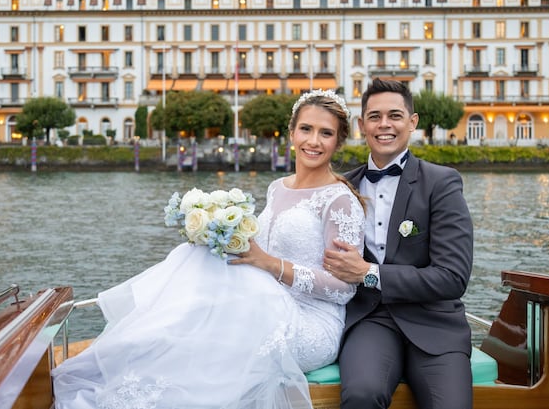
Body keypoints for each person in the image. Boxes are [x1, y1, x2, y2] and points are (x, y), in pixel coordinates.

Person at [52, 89, 366, 409]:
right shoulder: (277, 187)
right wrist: (219, 235)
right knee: (199, 258)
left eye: (325, 133)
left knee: (205, 330)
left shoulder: (339, 200)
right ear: (292, 133)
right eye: (306, 129)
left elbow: (344, 289)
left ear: (339, 141)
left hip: (310, 324)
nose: (313, 141)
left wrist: (271, 265)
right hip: (266, 301)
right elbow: (258, 252)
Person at [323, 78, 474, 409]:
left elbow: (453, 277)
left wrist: (370, 273)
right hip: (371, 319)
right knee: (362, 394)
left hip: (435, 323)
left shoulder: (442, 182)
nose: (384, 125)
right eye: (374, 117)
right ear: (362, 125)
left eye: (394, 115)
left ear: (412, 122)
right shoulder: (341, 187)